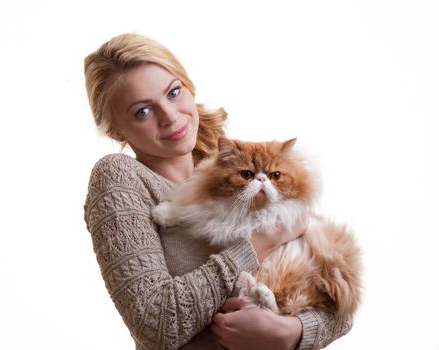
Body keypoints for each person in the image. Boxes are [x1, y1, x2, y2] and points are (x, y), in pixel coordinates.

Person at [83, 33, 353, 350]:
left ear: (188, 86)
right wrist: (258, 244)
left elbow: (338, 302)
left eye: (173, 92)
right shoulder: (119, 177)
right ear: (115, 130)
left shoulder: (238, 168)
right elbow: (155, 325)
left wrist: (291, 332)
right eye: (143, 111)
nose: (170, 116)